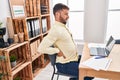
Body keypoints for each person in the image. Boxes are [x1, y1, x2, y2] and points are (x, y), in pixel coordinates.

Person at [37, 3, 93, 80]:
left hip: (73, 59)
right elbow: (41, 48)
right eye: (66, 14)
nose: (68, 16)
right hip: (64, 64)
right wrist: (56, 50)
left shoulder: (62, 27)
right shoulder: (55, 30)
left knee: (91, 66)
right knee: (88, 74)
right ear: (57, 14)